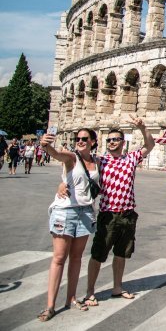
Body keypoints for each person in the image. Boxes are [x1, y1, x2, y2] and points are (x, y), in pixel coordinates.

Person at [78, 116, 154, 306]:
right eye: (109, 140)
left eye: (115, 139)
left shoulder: (131, 159)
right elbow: (78, 162)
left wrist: (143, 128)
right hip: (108, 214)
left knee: (121, 253)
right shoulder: (100, 160)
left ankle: (117, 287)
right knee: (98, 254)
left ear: (122, 142)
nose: (111, 142)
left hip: (128, 214)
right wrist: (64, 184)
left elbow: (150, 145)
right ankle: (89, 292)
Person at [37, 128, 100, 321]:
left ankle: (71, 298)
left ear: (93, 141)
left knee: (76, 258)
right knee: (58, 258)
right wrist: (45, 145)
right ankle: (50, 306)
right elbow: (56, 154)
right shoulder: (71, 157)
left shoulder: (97, 161)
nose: (80, 141)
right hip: (65, 211)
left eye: (84, 138)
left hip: (86, 212)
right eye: (77, 138)